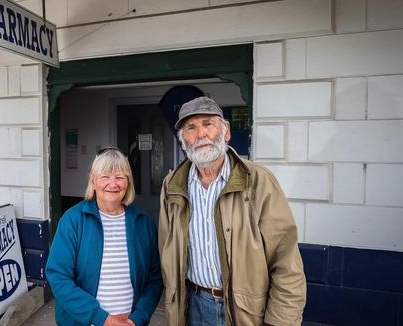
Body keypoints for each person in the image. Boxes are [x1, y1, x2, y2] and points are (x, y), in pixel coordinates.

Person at [159, 96, 306, 326]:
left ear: (225, 131)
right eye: (191, 128)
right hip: (190, 307)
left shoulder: (257, 181)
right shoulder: (172, 186)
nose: (201, 134)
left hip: (244, 313)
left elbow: (286, 263)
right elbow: (167, 251)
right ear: (182, 141)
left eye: (208, 124)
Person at [46, 148, 163, 326]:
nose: (113, 184)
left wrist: (137, 318)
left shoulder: (143, 223)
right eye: (105, 176)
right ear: (93, 181)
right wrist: (103, 319)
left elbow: (155, 278)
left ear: (128, 182)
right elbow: (58, 276)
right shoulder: (73, 221)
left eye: (120, 177)